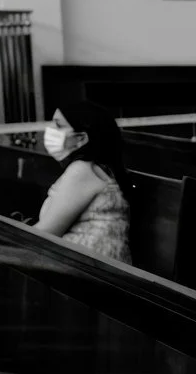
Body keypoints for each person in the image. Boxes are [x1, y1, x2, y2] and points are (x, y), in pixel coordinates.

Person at [33, 103, 132, 263]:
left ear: (81, 139)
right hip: (88, 262)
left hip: (91, 268)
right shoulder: (94, 168)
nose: (50, 131)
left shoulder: (83, 170)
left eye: (58, 125)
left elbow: (48, 232)